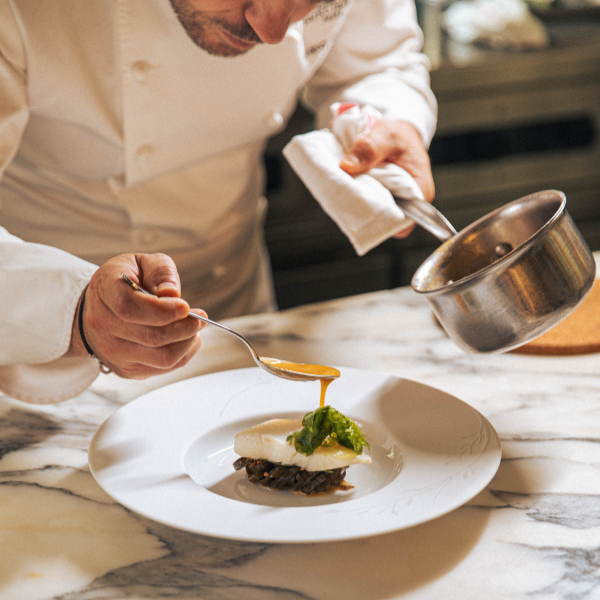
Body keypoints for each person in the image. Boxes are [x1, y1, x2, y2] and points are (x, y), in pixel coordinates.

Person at [0, 0, 437, 403]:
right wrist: (72, 310)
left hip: (236, 313)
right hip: (37, 332)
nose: (272, 32)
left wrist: (384, 120)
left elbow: (377, 61)